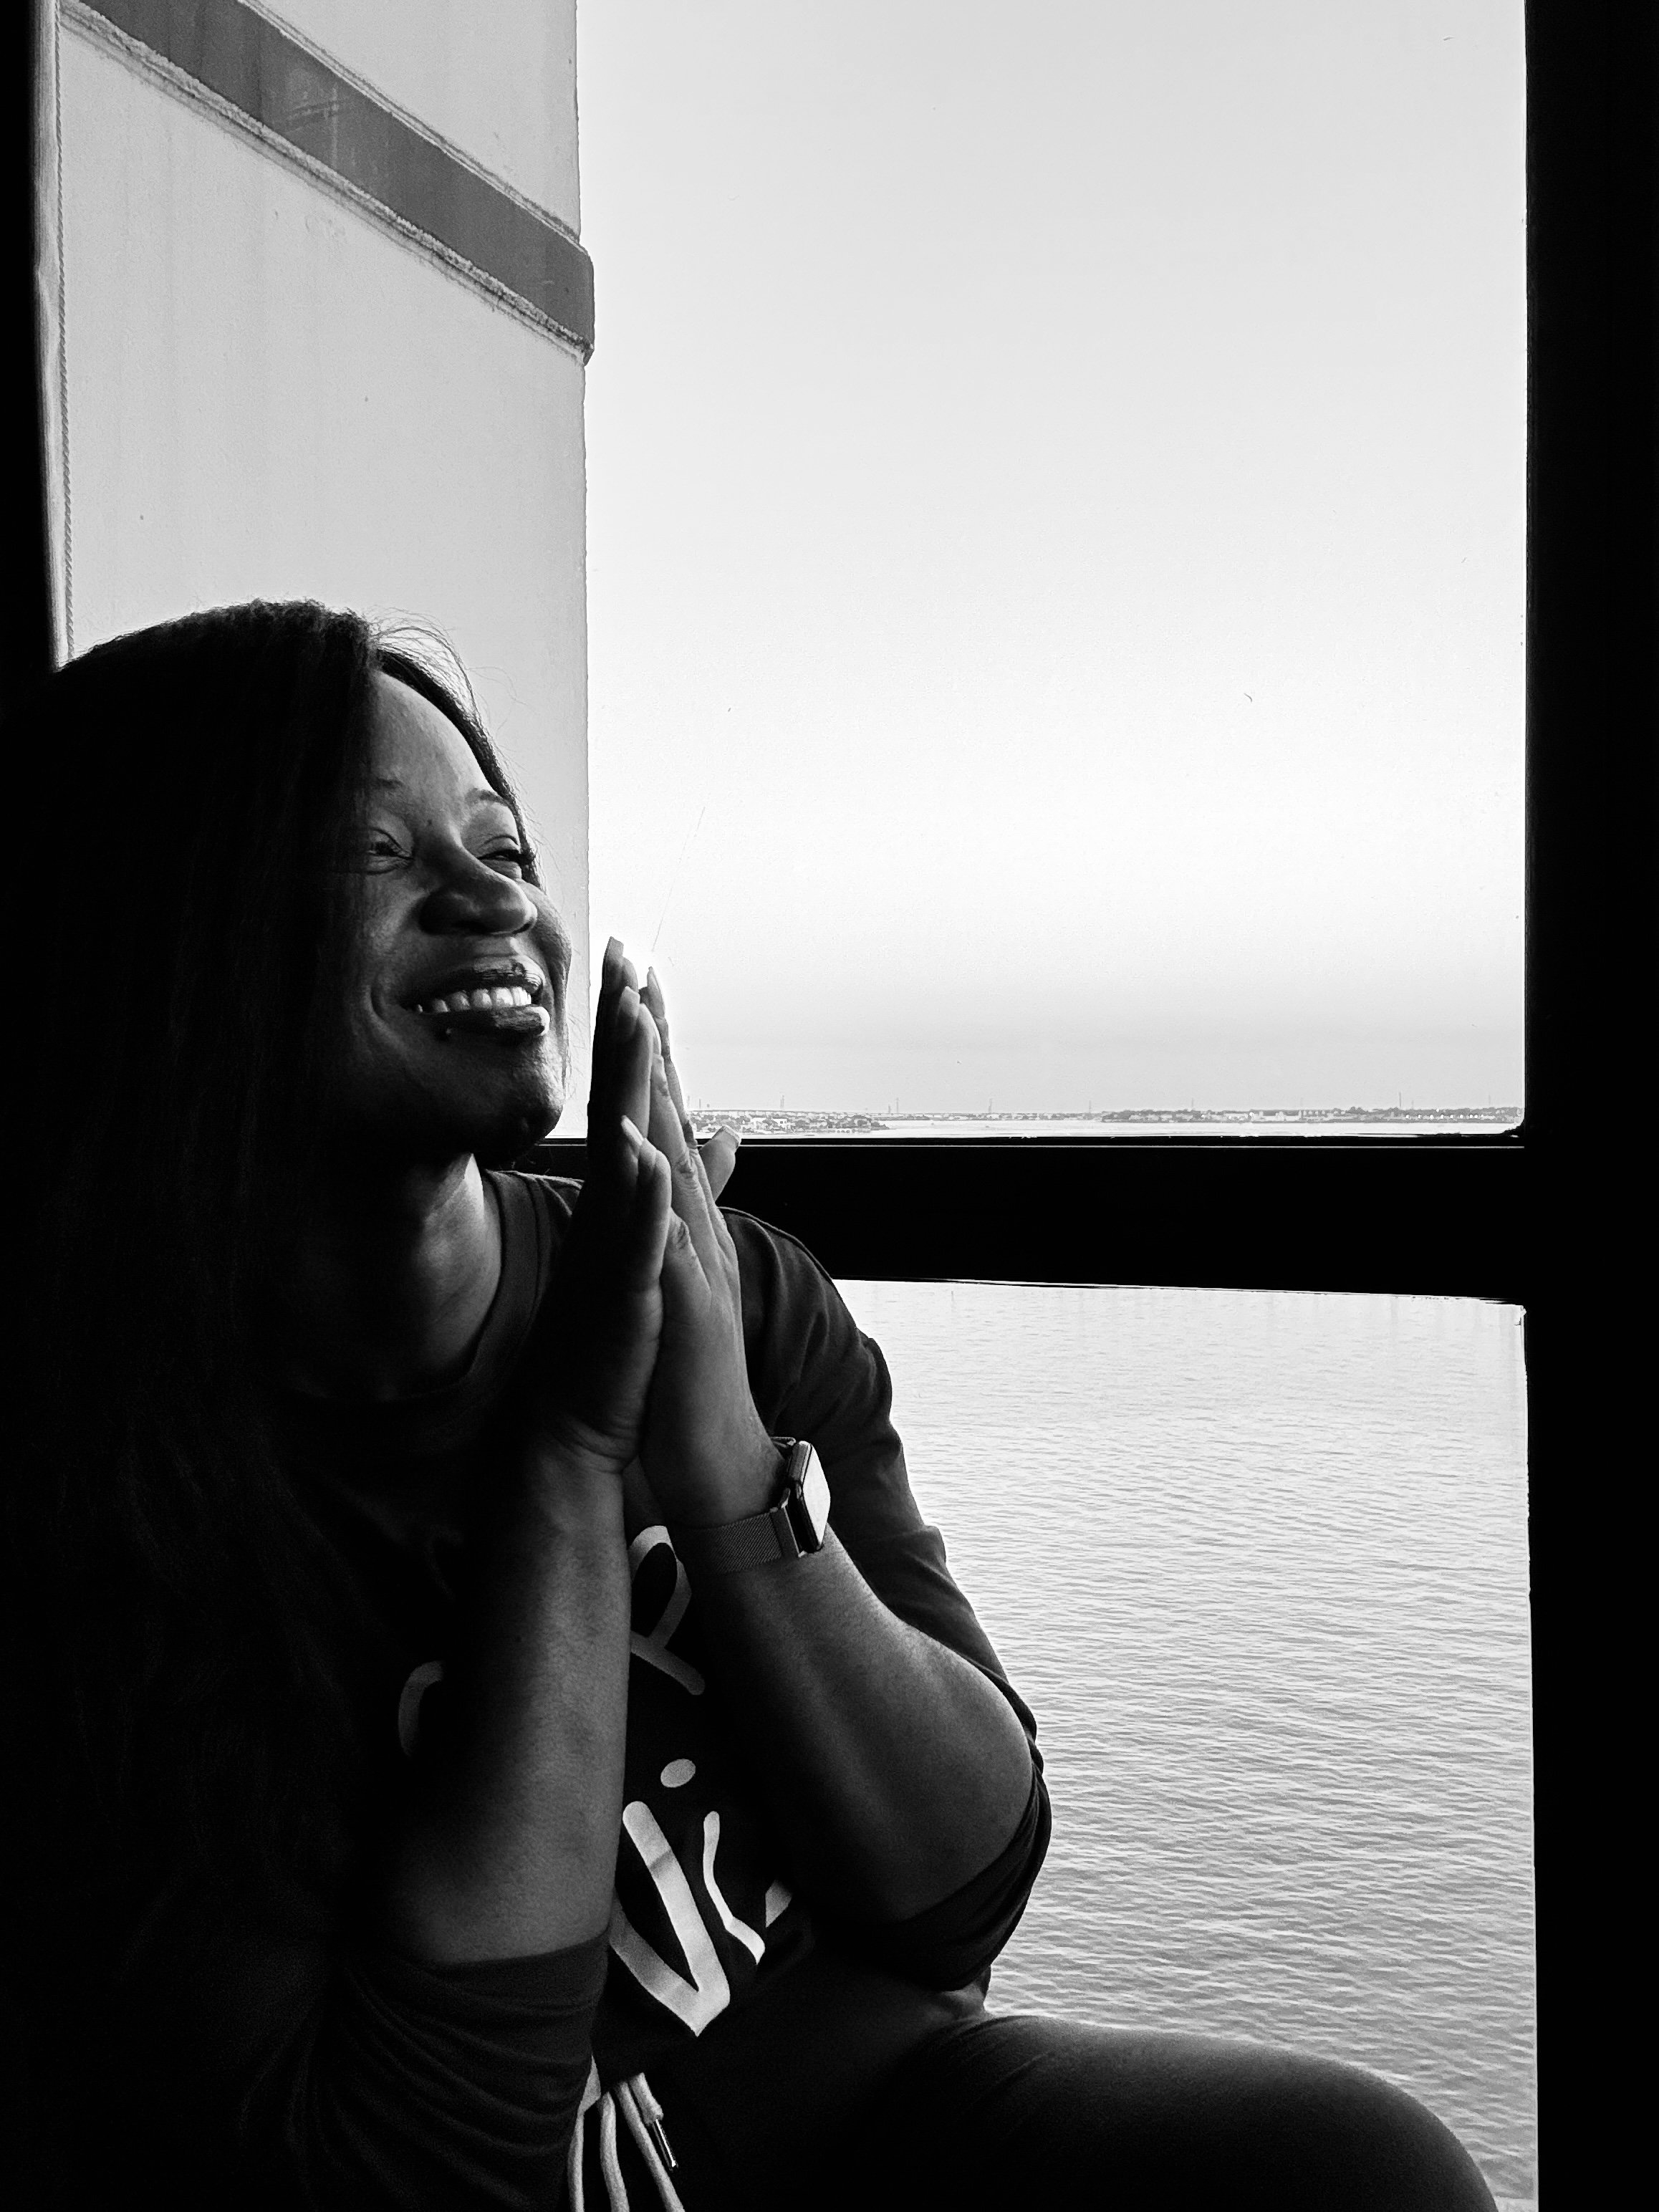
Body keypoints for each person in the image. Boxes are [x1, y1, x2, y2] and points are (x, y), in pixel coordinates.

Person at [4, 600, 1496, 2211]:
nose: (493, 894)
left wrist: (718, 1460)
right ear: (158, 934)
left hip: (884, 2122)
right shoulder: (102, 1474)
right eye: (372, 854)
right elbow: (420, 2163)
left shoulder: (729, 1290)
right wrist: (574, 1456)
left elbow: (962, 1886)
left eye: (502, 844)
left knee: (1355, 2170)